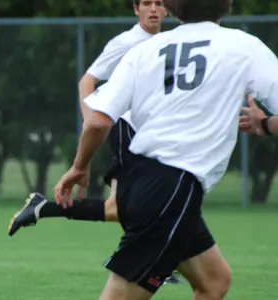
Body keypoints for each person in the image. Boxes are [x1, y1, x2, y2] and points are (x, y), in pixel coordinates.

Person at [54, 0, 271, 297]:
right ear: (227, 5)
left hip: (137, 178)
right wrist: (267, 124)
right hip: (172, 189)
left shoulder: (145, 50)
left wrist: (79, 166)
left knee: (214, 280)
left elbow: (97, 123)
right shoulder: (245, 47)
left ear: (172, 8)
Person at [6, 0, 182, 285]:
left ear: (167, 10)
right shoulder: (125, 43)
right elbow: (86, 82)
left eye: (159, 3)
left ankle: (43, 207)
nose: (153, 9)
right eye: (146, 3)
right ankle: (155, 259)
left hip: (154, 133)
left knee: (118, 208)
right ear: (136, 9)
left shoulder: (171, 43)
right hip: (127, 130)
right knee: (144, 201)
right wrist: (93, 121)